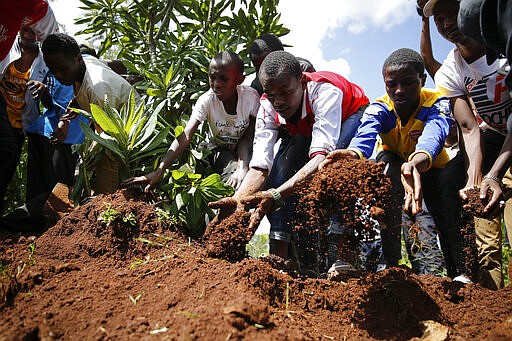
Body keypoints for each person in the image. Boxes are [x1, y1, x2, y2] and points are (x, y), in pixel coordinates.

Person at [210, 51, 369, 262]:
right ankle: (284, 257)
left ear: (302, 81)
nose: (279, 102)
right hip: (309, 126)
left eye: (285, 92)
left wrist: (276, 195)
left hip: (350, 113)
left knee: (334, 166)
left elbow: (322, 156)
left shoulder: (325, 93)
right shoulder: (267, 106)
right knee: (280, 174)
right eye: (272, 94)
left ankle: (343, 255)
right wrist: (238, 199)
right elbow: (260, 166)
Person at [321, 48, 451, 276]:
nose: (399, 90)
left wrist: (416, 162)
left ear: (422, 80)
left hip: (429, 167)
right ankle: (391, 264)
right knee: (386, 178)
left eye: (408, 83)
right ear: (385, 84)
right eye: (392, 85)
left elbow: (435, 134)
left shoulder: (436, 103)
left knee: (425, 217)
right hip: (393, 162)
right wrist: (352, 153)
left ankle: (436, 273)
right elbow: (365, 135)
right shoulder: (379, 109)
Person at [422, 0, 512, 289]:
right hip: (496, 134)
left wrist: (495, 173)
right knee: (453, 181)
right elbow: (469, 129)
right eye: (439, 19)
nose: (447, 24)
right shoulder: (451, 70)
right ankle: (481, 290)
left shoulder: (504, 48)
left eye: (453, 14)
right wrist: (475, 181)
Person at [121, 51, 260, 191]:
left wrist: (243, 167)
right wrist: (160, 169)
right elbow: (186, 135)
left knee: (251, 177)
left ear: (239, 80)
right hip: (217, 151)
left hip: (247, 150)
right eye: (212, 77)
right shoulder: (207, 100)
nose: (216, 84)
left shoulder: (250, 98)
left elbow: (248, 138)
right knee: (232, 178)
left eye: (224, 79)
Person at [41, 33, 137, 195]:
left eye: (62, 69)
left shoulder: (98, 89)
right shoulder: (84, 66)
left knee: (106, 192)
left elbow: (110, 144)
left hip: (121, 137)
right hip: (107, 129)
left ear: (78, 58)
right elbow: (81, 92)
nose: (58, 75)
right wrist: (66, 118)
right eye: (53, 70)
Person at [0, 25, 48, 215]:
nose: (28, 34)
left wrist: (44, 89)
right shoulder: (6, 48)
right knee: (6, 149)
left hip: (20, 124)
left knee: (6, 171)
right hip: (1, 112)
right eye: (25, 29)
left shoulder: (45, 61)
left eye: (34, 31)